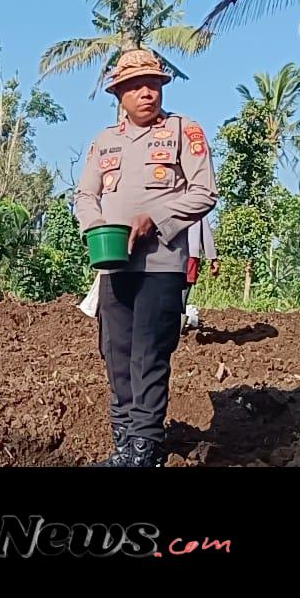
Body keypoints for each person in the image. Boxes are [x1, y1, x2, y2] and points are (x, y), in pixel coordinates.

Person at [75, 49, 218, 467]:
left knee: (148, 353)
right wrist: (96, 226)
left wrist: (154, 218)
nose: (146, 92)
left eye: (153, 84)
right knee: (115, 351)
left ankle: (145, 447)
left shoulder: (182, 131)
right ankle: (123, 442)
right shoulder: (104, 142)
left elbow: (204, 192)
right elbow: (85, 194)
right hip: (114, 265)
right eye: (135, 86)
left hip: (161, 264)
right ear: (118, 93)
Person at [182, 216, 219, 331]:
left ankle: (175, 326)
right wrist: (212, 258)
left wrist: (213, 257)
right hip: (190, 253)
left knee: (177, 291)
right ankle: (177, 326)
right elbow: (206, 233)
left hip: (176, 253)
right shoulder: (196, 201)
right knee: (182, 292)